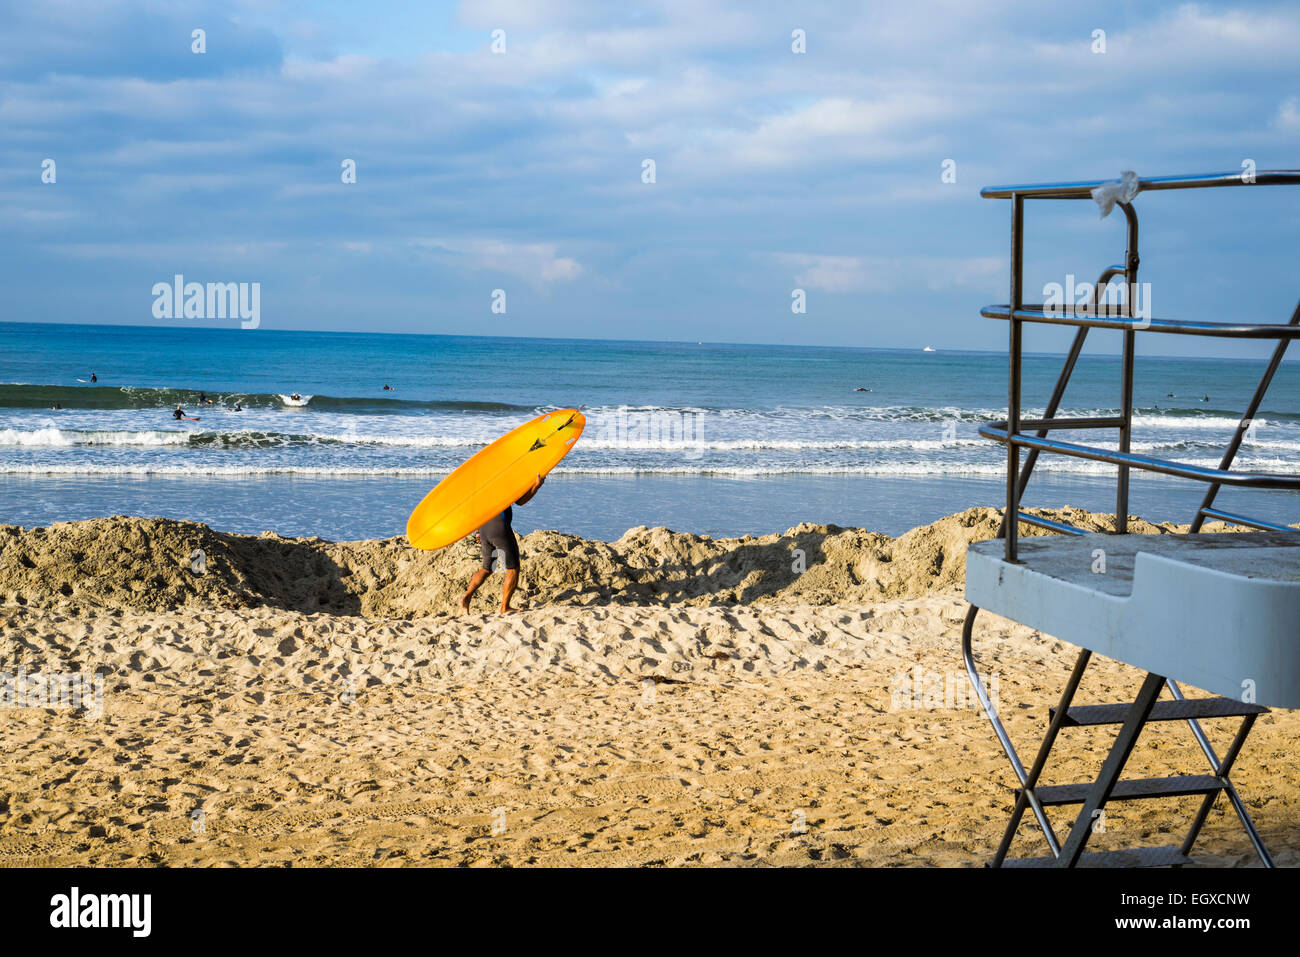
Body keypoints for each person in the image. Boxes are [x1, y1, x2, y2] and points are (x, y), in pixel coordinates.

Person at [459, 473, 545, 614]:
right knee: (512, 569)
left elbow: (474, 512)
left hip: (484, 528)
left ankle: (466, 598)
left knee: (488, 568)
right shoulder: (504, 483)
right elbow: (520, 501)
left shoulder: (481, 487)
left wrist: (478, 532)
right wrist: (537, 485)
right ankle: (505, 607)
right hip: (499, 528)